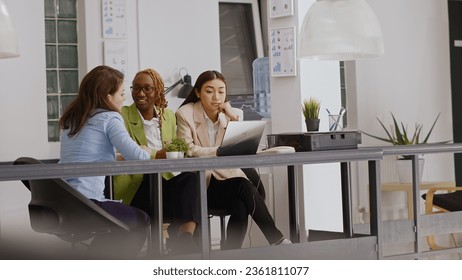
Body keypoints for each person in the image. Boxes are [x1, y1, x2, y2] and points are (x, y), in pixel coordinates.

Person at [176, 70, 291, 249]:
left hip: (226, 179)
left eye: (221, 91)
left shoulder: (233, 113)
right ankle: (276, 239)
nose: (216, 97)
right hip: (200, 183)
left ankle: (230, 255)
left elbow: (240, 148)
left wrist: (232, 118)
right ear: (198, 92)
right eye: (209, 91)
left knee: (240, 205)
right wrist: (219, 152)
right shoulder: (185, 113)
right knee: (243, 187)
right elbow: (188, 149)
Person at [59, 65, 151, 258]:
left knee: (118, 225)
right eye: (122, 94)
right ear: (108, 97)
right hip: (87, 203)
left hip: (63, 200)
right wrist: (145, 149)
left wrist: (117, 156)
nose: (124, 99)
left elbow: (85, 155)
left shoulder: (73, 119)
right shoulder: (110, 117)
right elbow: (140, 158)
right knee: (140, 220)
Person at [112, 68, 199, 254]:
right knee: (159, 181)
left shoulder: (167, 115)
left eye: (147, 89)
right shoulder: (123, 115)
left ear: (158, 91)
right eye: (136, 88)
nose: (140, 93)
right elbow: (122, 154)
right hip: (138, 186)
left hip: (167, 183)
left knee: (192, 179)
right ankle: (176, 244)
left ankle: (185, 240)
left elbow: (176, 148)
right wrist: (156, 154)